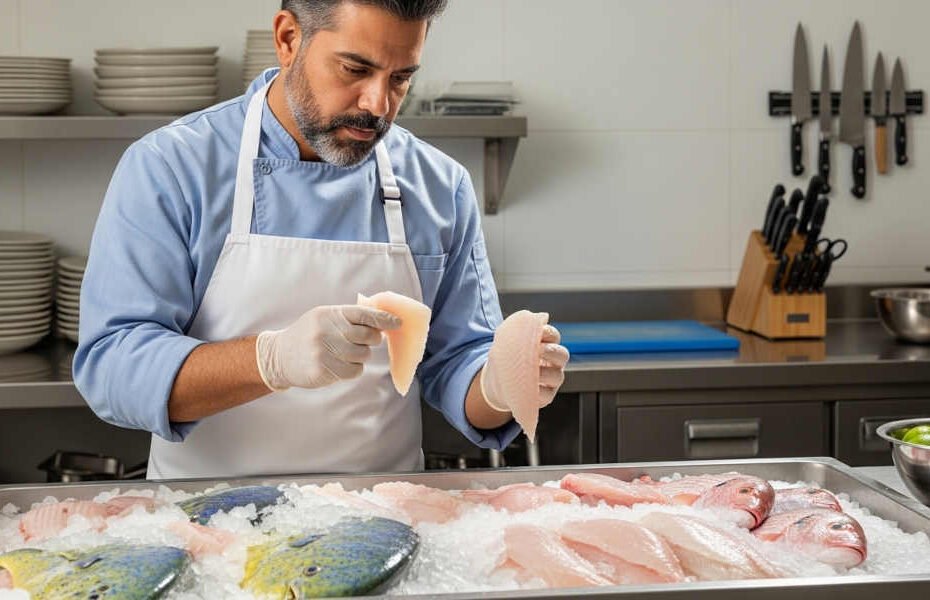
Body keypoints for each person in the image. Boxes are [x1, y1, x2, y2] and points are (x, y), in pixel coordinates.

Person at [73, 0, 569, 480]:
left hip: (380, 520)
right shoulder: (171, 168)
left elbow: (460, 362)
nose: (378, 104)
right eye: (355, 69)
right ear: (289, 38)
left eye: (400, 79)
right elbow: (113, 365)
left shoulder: (439, 186)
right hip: (206, 523)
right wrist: (271, 359)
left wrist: (501, 384)